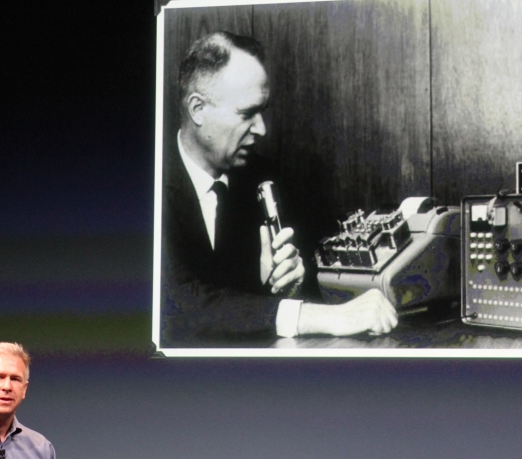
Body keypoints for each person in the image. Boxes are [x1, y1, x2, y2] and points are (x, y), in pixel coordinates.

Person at [161, 31, 398, 345]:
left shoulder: (270, 179)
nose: (262, 128)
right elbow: (177, 305)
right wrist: (314, 316)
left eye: (262, 111)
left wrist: (290, 285)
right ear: (197, 109)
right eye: (247, 113)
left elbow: (320, 275)